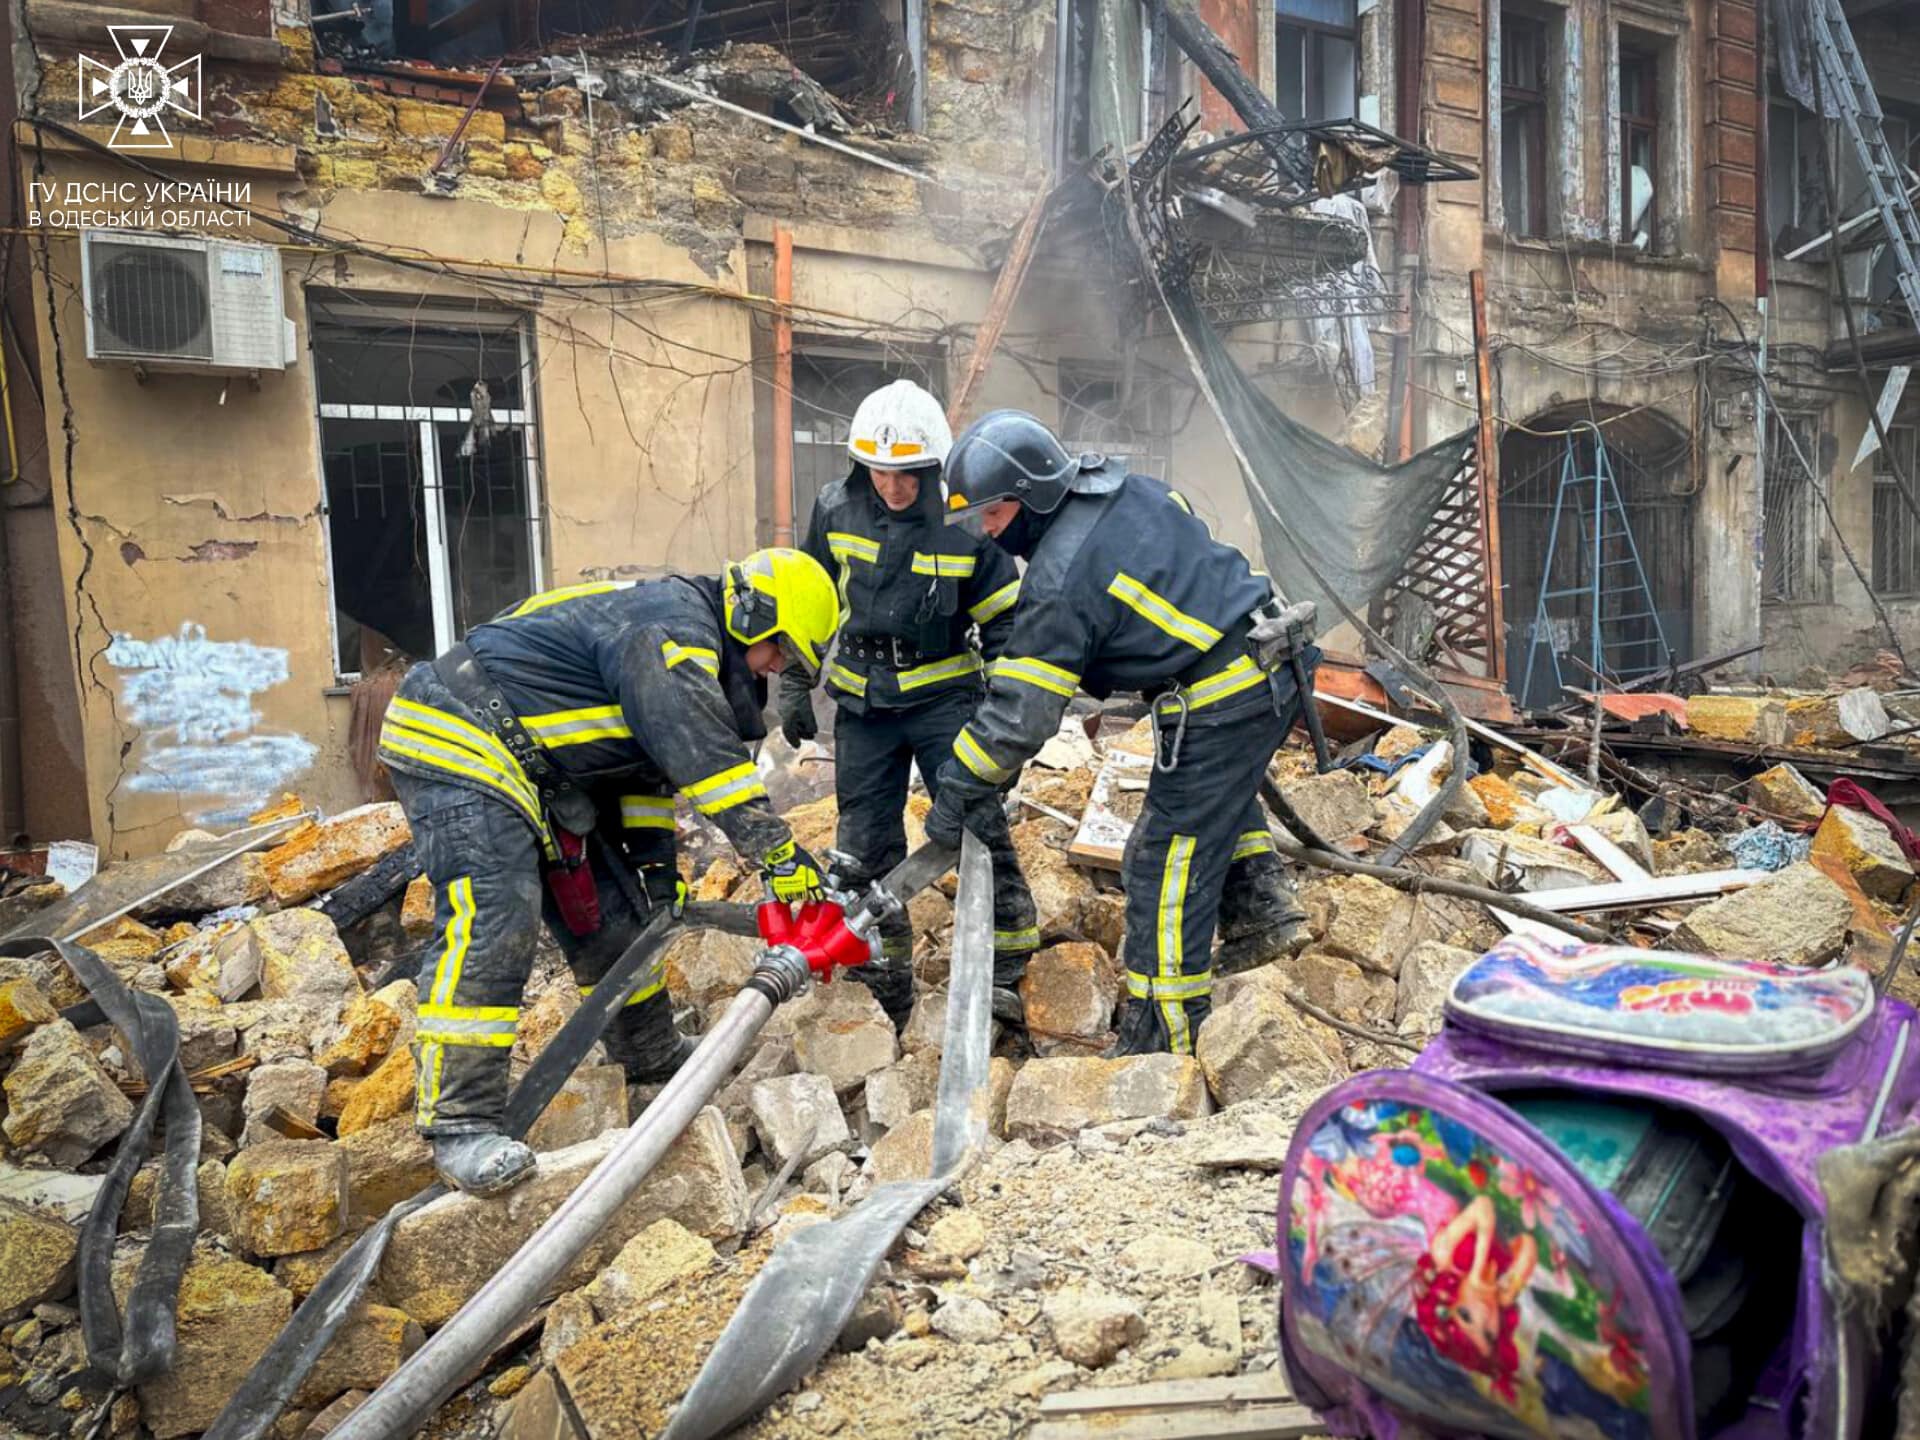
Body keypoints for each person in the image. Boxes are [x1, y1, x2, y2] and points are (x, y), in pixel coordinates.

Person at [377, 548, 840, 1195]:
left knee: (622, 915)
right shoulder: (673, 633)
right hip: (457, 732)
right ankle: (460, 1122)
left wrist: (653, 869)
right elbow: (702, 760)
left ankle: (649, 1053)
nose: (776, 669)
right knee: (495, 916)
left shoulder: (678, 635)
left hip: (537, 764)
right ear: (760, 617)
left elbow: (645, 777)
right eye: (781, 653)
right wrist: (780, 856)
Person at [926, 410, 1311, 1057]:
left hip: (1225, 695)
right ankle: (1263, 911)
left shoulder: (1059, 578)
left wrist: (961, 782)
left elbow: (1022, 712)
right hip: (1270, 658)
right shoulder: (1131, 489)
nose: (988, 533)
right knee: (1208, 801)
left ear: (1030, 494)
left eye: (992, 514)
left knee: (1162, 862)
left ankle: (1162, 1043)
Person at [779, 379, 1039, 1024]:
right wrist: (793, 677)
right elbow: (809, 597)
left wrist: (1008, 718)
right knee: (862, 846)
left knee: (975, 826)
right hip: (863, 705)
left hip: (945, 701)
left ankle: (1005, 963)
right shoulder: (835, 507)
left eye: (908, 474)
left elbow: (1006, 628)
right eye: (880, 472)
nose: (893, 488)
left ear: (933, 467)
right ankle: (883, 979)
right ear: (859, 464)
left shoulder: (968, 526)